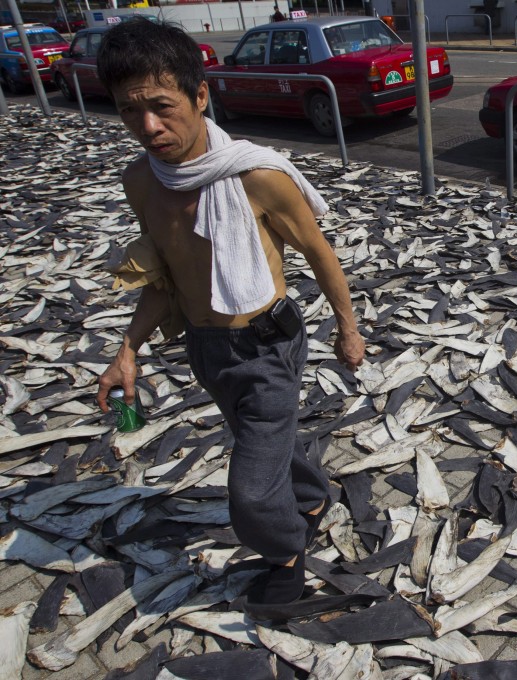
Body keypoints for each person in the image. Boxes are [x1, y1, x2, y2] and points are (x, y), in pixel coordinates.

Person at [94, 18, 366, 608]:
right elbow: (164, 279)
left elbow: (319, 253)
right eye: (128, 111)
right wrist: (128, 349)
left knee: (248, 489)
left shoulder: (257, 176)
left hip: (267, 345)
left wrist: (349, 327)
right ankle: (314, 496)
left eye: (162, 106)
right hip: (206, 348)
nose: (148, 127)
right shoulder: (140, 182)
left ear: (200, 95)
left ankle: (286, 558)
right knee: (258, 439)